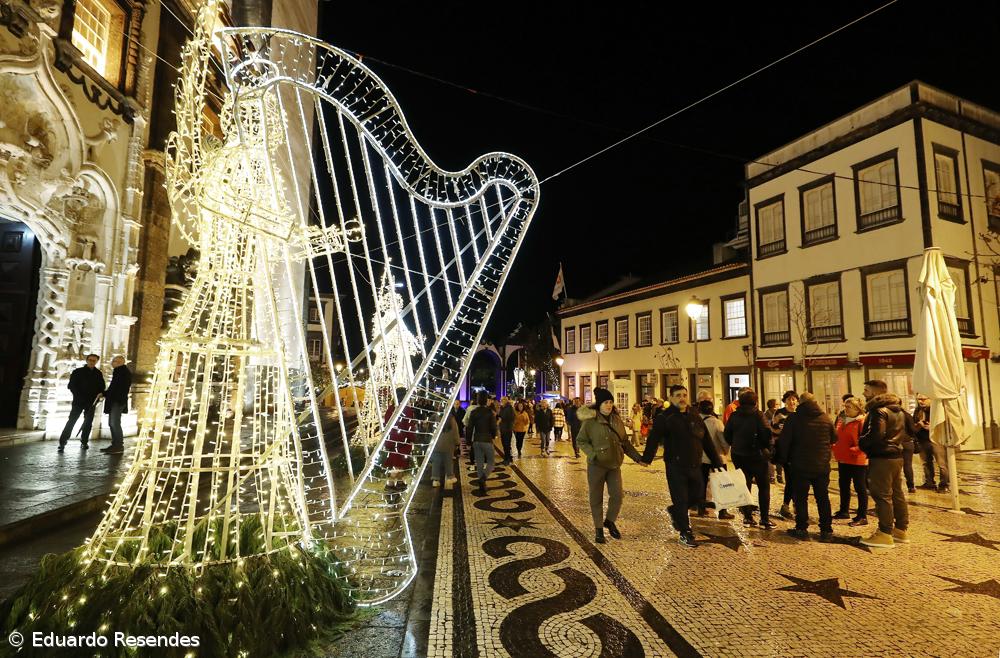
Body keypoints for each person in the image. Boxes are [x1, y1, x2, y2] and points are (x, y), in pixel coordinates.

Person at [641, 385, 724, 548]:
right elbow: (653, 438)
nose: (682, 398)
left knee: (697, 497)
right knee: (680, 499)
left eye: (684, 395)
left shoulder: (694, 414)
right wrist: (647, 458)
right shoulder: (665, 417)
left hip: (695, 464)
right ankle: (685, 532)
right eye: (678, 395)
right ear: (671, 398)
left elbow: (705, 438)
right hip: (675, 465)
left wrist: (716, 460)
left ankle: (675, 511)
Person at [576, 388, 643, 544]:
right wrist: (593, 454)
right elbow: (581, 440)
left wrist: (638, 458)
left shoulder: (617, 420)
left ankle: (610, 520)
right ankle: (598, 529)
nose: (609, 405)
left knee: (618, 495)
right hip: (596, 465)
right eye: (606, 402)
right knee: (596, 498)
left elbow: (625, 442)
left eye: (611, 402)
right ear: (599, 404)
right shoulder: (590, 421)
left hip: (614, 465)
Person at [776, 392, 836, 541]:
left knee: (800, 498)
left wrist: (782, 459)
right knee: (822, 498)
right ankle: (826, 530)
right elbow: (835, 438)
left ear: (800, 403)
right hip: (821, 464)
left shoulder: (794, 419)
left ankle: (802, 528)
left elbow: (784, 441)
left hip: (799, 464)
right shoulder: (825, 418)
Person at [858, 380, 910, 548]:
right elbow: (910, 431)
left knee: (882, 495)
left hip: (881, 457)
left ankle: (884, 533)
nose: (864, 393)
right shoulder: (899, 409)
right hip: (896, 456)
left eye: (866, 390)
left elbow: (875, 435)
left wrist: (862, 441)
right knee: (896, 493)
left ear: (875, 393)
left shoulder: (878, 411)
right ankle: (900, 530)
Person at [724, 389, 776, 528]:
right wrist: (767, 448)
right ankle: (764, 519)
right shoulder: (758, 415)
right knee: (763, 486)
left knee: (744, 486)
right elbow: (766, 433)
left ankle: (747, 517)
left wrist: (735, 445)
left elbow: (727, 434)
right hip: (757, 456)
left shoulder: (734, 415)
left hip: (739, 455)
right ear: (755, 402)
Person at [58, 353, 106, 452]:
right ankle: (62, 442)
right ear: (87, 360)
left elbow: (102, 387)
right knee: (71, 421)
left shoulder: (98, 373)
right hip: (78, 401)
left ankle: (84, 442)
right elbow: (71, 386)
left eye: (94, 360)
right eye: (90, 360)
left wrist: (100, 394)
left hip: (91, 402)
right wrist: (78, 396)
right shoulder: (77, 372)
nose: (92, 362)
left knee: (88, 423)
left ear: (97, 361)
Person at [832, 396, 868, 526]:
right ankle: (844, 510)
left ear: (857, 409)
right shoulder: (843, 420)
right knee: (843, 485)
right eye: (845, 406)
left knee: (860, 487)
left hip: (857, 459)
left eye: (849, 407)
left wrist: (855, 449)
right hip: (843, 458)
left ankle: (862, 515)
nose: (846, 409)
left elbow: (865, 441)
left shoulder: (862, 422)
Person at [698, 398, 733, 519]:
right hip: (717, 457)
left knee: (701, 483)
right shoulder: (716, 422)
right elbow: (724, 441)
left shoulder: (695, 421)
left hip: (701, 458)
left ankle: (701, 509)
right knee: (722, 484)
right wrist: (725, 452)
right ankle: (723, 511)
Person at [771, 390, 799, 517]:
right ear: (785, 401)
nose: (792, 401)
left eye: (794, 399)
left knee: (797, 479)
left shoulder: (800, 413)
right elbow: (774, 428)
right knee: (790, 478)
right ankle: (788, 504)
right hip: (786, 450)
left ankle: (793, 503)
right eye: (789, 399)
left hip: (799, 450)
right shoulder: (780, 413)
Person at [912, 394, 946, 491]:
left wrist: (932, 427)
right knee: (926, 463)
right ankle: (929, 482)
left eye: (923, 399)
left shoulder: (937, 409)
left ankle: (944, 484)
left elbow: (943, 423)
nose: (921, 401)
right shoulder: (918, 410)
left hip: (937, 439)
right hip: (922, 439)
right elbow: (913, 424)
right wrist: (919, 424)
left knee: (942, 463)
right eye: (919, 399)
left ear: (930, 399)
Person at [467, 391, 499, 495]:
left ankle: (482, 485)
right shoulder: (489, 412)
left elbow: (470, 427)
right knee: (491, 462)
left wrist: (468, 441)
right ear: (486, 400)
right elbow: (493, 426)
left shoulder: (474, 412)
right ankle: (483, 479)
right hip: (487, 439)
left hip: (476, 440)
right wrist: (494, 435)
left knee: (479, 463)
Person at [100, 356, 132, 455]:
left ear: (119, 362)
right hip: (116, 401)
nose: (112, 363)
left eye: (114, 361)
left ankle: (118, 445)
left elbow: (116, 388)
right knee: (112, 423)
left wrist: (105, 393)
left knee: (114, 423)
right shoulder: (119, 372)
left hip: (117, 401)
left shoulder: (122, 372)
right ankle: (115, 444)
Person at [430, 408, 460, 487]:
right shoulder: (451, 418)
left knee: (436, 462)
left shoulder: (434, 417)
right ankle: (450, 477)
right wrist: (457, 442)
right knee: (448, 461)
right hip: (448, 444)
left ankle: (435, 479)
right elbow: (455, 431)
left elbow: (428, 428)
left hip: (436, 443)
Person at [498, 397, 515, 465]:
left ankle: (507, 459)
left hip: (507, 429)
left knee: (507, 444)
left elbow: (507, 418)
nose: (501, 401)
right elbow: (500, 416)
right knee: (505, 444)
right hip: (503, 428)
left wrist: (500, 420)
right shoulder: (503, 408)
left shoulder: (509, 408)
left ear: (506, 401)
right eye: (501, 400)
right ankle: (508, 458)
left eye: (502, 400)